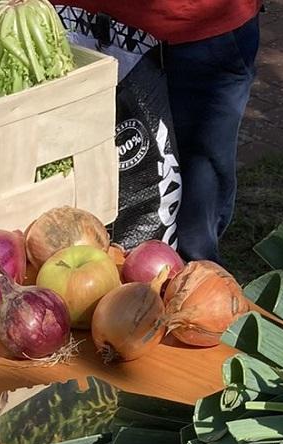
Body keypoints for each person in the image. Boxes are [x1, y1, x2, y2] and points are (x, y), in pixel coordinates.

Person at [63, 1, 263, 262]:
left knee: (195, 213)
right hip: (77, 22)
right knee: (72, 187)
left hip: (197, 28)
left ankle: (194, 287)